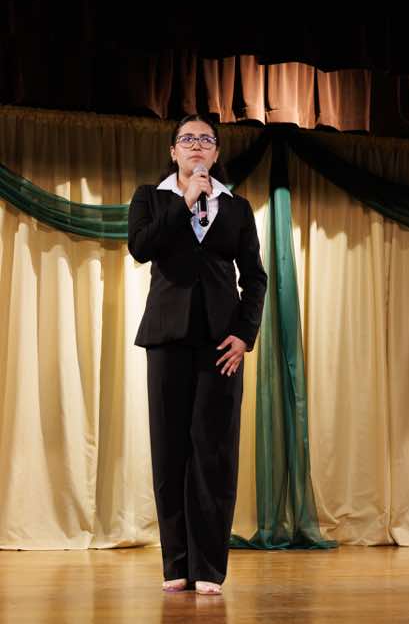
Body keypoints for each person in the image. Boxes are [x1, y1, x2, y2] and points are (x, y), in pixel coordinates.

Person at [128, 114, 267, 595]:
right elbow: (141, 247)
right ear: (173, 151)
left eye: (206, 140)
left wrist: (245, 335)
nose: (196, 146)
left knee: (215, 453)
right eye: (187, 139)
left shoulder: (237, 207)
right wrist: (184, 201)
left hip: (220, 344)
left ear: (216, 152)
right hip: (167, 337)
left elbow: (255, 278)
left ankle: (208, 568)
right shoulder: (151, 198)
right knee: (170, 451)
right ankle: (176, 563)